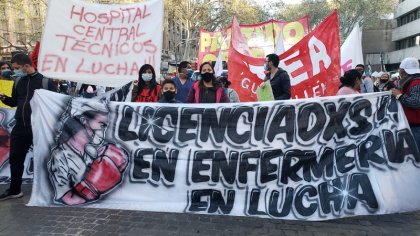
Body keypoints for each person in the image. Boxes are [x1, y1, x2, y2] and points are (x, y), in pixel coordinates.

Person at [48, 99, 128, 205]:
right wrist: (92, 188)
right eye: (102, 124)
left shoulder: (92, 153)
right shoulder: (60, 157)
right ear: (84, 120)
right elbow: (67, 199)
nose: (103, 131)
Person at [0, 53, 57, 200]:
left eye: (17, 68)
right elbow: (14, 102)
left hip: (39, 128)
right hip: (20, 127)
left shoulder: (45, 82)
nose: (15, 71)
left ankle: (50, 190)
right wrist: (4, 98)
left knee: (46, 158)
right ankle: (14, 190)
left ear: (26, 66)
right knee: (15, 158)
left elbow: (55, 105)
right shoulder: (18, 81)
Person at [392, 57, 420, 150]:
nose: (399, 71)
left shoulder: (416, 82)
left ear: (404, 70)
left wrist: (399, 96)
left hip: (416, 126)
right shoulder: (410, 81)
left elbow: (416, 102)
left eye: (400, 69)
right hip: (412, 125)